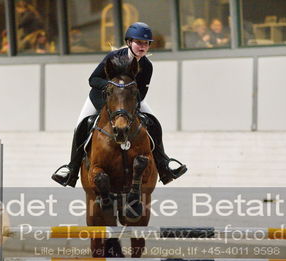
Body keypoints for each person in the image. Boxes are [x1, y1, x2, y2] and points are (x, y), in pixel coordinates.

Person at [51, 22, 187, 188]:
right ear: (129, 42)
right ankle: (71, 170)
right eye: (139, 42)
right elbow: (93, 79)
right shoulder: (114, 57)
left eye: (146, 43)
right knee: (81, 126)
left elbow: (142, 93)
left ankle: (164, 165)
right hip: (101, 98)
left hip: (130, 102)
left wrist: (128, 103)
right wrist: (114, 89)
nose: (143, 46)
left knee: (153, 122)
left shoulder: (147, 66)